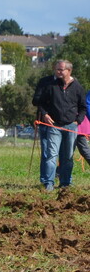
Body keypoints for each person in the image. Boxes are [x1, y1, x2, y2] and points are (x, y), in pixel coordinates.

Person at [32, 59, 86, 191]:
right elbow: (40, 102)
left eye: (61, 70)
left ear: (69, 71)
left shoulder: (77, 87)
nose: (58, 72)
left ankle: (65, 183)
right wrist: (44, 114)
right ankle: (48, 183)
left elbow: (83, 107)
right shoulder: (51, 85)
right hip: (54, 126)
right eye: (57, 69)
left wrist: (77, 121)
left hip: (71, 126)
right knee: (51, 155)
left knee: (67, 157)